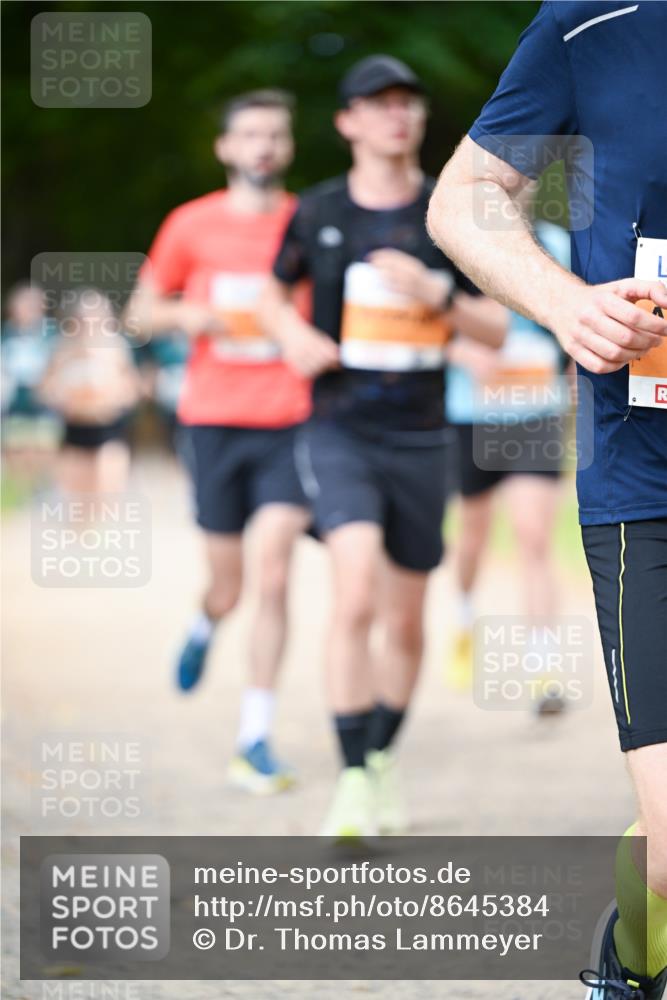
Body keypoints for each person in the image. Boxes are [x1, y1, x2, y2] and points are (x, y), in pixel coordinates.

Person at [426, 2, 667, 996]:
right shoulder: (592, 21)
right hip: (646, 480)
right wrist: (565, 303)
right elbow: (465, 196)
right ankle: (626, 958)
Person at [260, 55, 506, 837]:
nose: (396, 115)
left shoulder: (452, 213)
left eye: (408, 103)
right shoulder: (318, 209)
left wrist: (436, 295)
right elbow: (270, 291)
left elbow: (497, 329)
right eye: (379, 103)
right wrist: (292, 334)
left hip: (421, 434)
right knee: (353, 589)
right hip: (339, 427)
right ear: (348, 122)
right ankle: (353, 776)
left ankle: (382, 755)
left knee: (404, 621)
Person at [126, 90, 312, 794]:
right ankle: (206, 625)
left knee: (273, 573)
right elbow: (139, 313)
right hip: (212, 422)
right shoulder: (190, 224)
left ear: (287, 148)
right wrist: (188, 314)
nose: (263, 146)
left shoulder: (305, 222)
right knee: (229, 585)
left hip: (291, 421)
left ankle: (254, 736)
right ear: (227, 149)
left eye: (275, 135)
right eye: (250, 134)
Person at [445, 214, 572, 717]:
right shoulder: (458, 233)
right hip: (474, 413)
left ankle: (544, 668)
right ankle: (462, 618)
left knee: (533, 536)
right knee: (473, 537)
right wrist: (459, 352)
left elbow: (569, 313)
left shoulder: (555, 242)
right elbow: (427, 313)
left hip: (537, 409)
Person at [40, 288, 141, 496]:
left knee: (107, 493)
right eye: (85, 316)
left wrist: (112, 401)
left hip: (109, 429)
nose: (90, 321)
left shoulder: (117, 347)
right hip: (74, 428)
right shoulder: (62, 347)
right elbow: (45, 388)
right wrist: (62, 400)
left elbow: (131, 389)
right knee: (76, 498)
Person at [1, 283, 60, 492]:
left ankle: (43, 491)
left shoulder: (52, 333)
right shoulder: (7, 333)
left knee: (44, 447)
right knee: (16, 448)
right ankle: (20, 493)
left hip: (44, 402)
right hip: (16, 401)